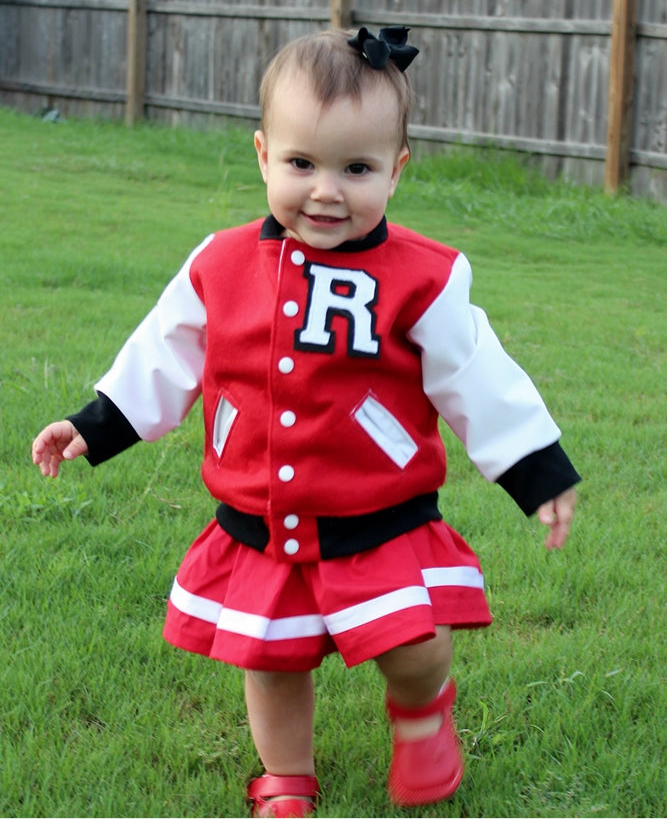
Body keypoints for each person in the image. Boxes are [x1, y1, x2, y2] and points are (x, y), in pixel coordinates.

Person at [32, 26, 580, 819]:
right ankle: (285, 773)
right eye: (300, 164)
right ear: (262, 156)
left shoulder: (423, 278)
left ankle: (423, 709)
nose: (325, 191)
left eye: (355, 169)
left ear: (395, 171)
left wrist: (536, 470)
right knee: (272, 655)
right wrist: (97, 423)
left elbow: (475, 374)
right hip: (259, 515)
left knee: (412, 640)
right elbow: (166, 354)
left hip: (379, 513)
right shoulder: (217, 265)